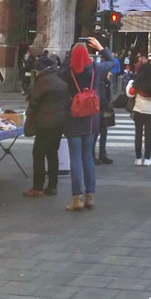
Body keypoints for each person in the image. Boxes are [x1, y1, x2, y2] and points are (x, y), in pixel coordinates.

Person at [61, 37, 115, 211]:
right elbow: (113, 62)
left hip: (73, 117)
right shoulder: (95, 69)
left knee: (75, 158)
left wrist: (71, 57)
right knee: (88, 157)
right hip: (91, 118)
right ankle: (90, 195)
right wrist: (100, 48)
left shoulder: (68, 72)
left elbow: (59, 70)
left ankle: (76, 198)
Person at [22, 57, 68, 197]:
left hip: (45, 121)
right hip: (59, 121)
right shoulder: (61, 77)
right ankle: (52, 186)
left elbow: (34, 102)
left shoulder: (43, 81)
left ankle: (38, 186)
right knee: (52, 153)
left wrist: (29, 118)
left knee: (38, 153)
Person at [126, 62, 151, 165]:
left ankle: (138, 158)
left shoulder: (138, 83)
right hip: (150, 111)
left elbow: (130, 94)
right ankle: (147, 158)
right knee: (148, 135)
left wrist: (129, 84)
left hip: (138, 110)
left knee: (138, 134)